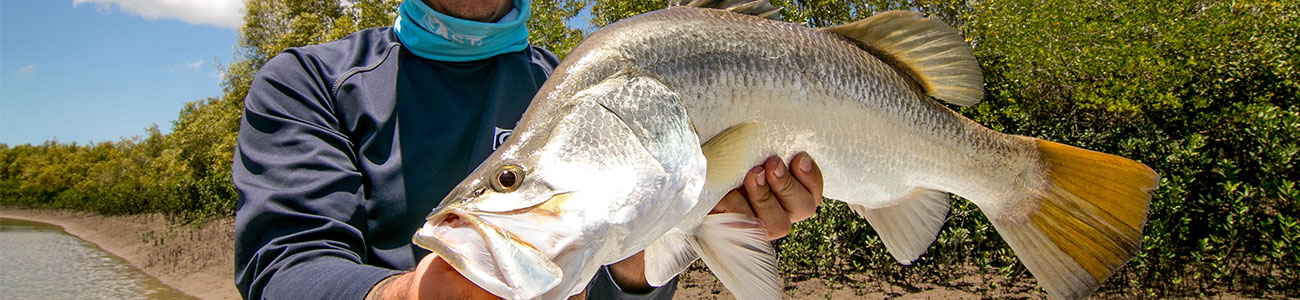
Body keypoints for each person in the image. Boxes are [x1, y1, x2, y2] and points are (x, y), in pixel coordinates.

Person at [231, 0, 825, 299]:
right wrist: (414, 295)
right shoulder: (308, 82)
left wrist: (646, 256)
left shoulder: (576, 82)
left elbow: (611, 288)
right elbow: (285, 269)